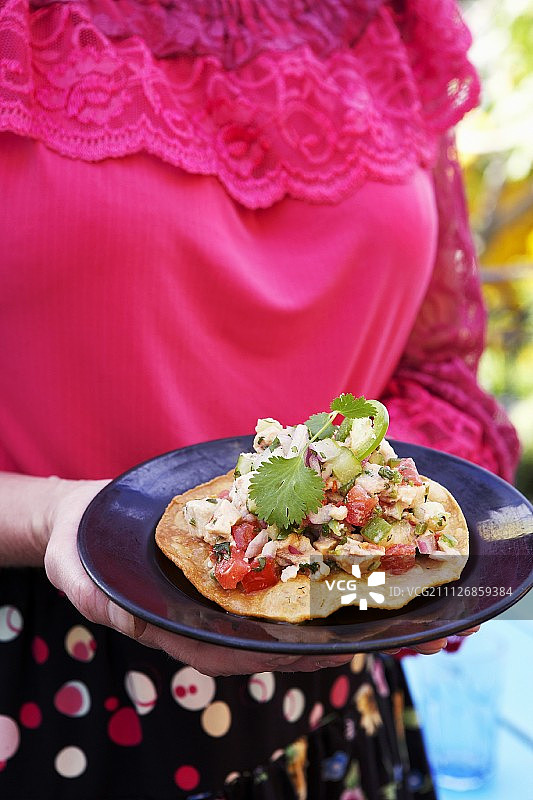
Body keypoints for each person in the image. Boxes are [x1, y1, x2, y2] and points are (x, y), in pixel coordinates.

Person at [0, 0, 520, 798]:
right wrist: (46, 514)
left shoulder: (383, 19)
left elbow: (434, 372)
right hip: (42, 696)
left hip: (333, 698)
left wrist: (391, 544)